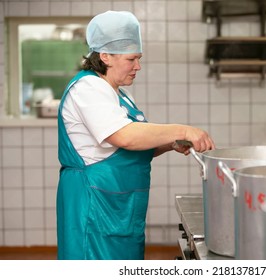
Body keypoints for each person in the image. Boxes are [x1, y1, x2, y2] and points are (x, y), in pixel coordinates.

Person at [56, 10, 215, 260]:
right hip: (94, 206)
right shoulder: (88, 88)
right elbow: (125, 137)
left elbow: (133, 147)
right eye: (132, 59)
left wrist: (169, 143)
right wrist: (182, 129)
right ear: (105, 56)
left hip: (120, 208)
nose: (138, 66)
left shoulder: (119, 93)